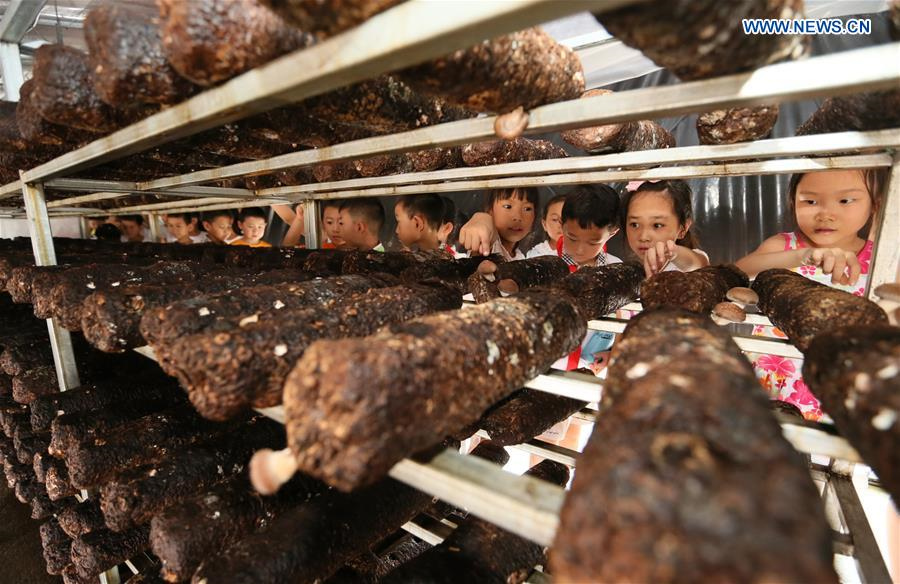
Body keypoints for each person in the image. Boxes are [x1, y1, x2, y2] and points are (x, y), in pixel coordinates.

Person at [736, 168, 885, 420]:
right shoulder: (782, 246)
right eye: (811, 201)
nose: (825, 214)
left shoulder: (882, 259)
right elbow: (737, 271)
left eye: (845, 200)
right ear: (793, 201)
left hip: (836, 389)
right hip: (772, 379)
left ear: (874, 205)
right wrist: (801, 256)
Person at [621, 179, 710, 277]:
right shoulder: (627, 273)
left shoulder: (686, 263)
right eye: (634, 224)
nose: (643, 236)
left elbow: (698, 264)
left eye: (657, 225)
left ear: (683, 228)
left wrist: (673, 252)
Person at [458, 187, 539, 261]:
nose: (518, 217)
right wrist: (481, 218)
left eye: (527, 209)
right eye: (508, 206)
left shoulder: (520, 256)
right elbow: (485, 231)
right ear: (490, 210)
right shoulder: (492, 245)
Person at [555, 185, 621, 271]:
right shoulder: (542, 265)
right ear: (561, 225)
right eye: (572, 239)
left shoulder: (616, 269)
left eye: (592, 243)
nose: (580, 250)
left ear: (612, 234)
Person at [527, 193, 566, 258]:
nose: (561, 225)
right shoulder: (536, 254)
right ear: (544, 224)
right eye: (555, 219)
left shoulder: (582, 253)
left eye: (566, 219)